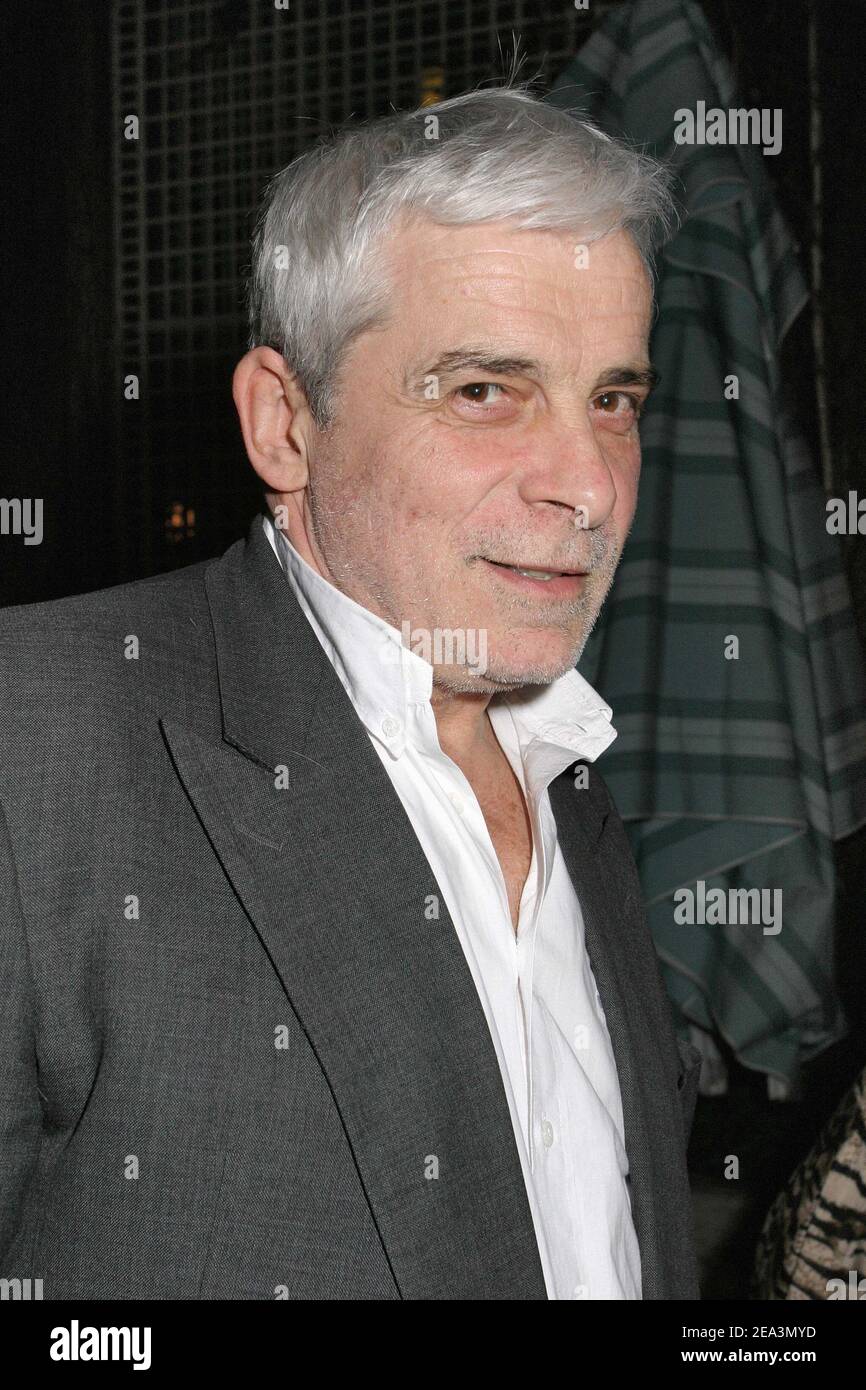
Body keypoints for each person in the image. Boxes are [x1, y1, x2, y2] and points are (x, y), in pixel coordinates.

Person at [0, 82, 701, 1300]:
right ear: (285, 425)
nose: (585, 484)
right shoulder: (38, 731)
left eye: (613, 400)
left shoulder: (568, 773)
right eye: (486, 391)